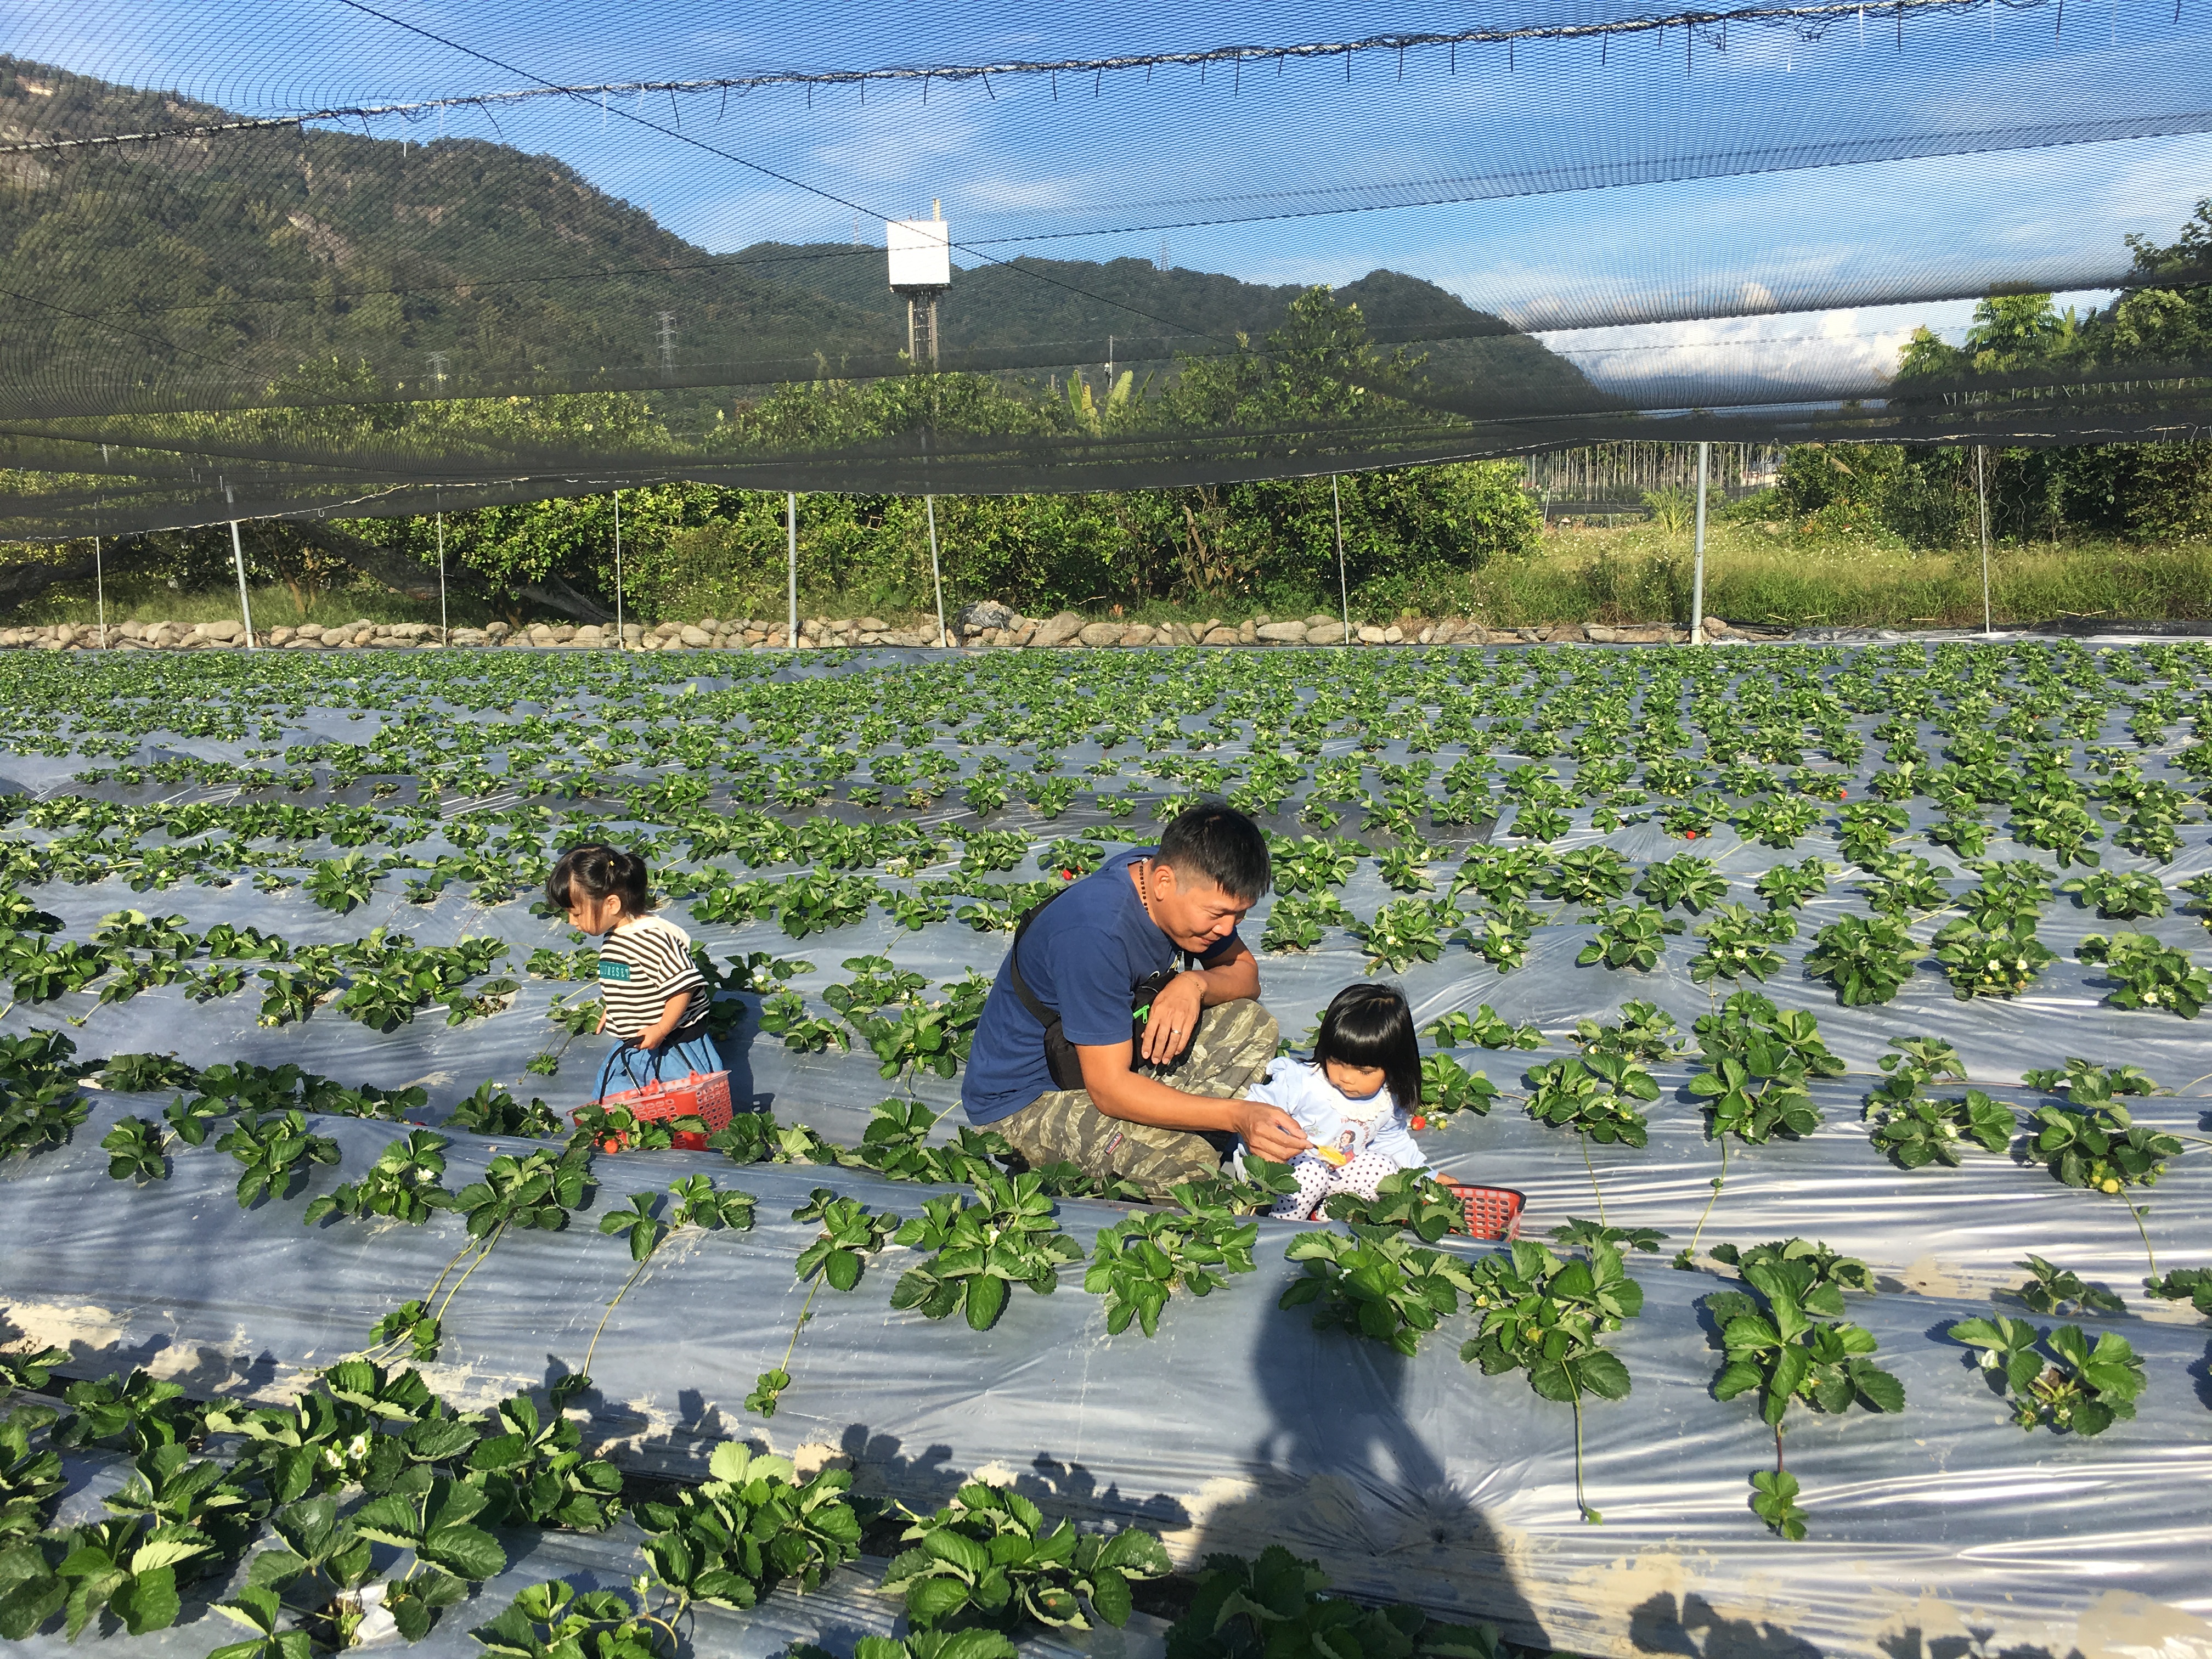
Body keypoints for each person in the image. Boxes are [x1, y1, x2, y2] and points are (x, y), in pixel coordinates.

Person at [960, 803, 1307, 1197]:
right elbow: (1109, 1090)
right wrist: (1237, 1116)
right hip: (1028, 1103)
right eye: (1217, 914)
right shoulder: (1095, 935)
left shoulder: (1162, 879)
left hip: (1107, 1061)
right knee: (1191, 1168)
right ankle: (1170, 1140)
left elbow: (1246, 975)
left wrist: (1194, 986)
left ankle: (1159, 1127)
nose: (1226, 929)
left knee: (1252, 1025)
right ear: (1163, 882)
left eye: (1239, 916)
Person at [545, 844, 721, 1102]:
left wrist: (661, 1029)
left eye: (576, 913)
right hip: (636, 1043)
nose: (572, 922)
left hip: (674, 1046)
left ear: (612, 904)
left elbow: (683, 987)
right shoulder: (617, 935)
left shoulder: (648, 939)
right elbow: (627, 979)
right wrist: (616, 1006)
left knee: (681, 1107)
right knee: (621, 1104)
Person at [1242, 983, 1426, 1221]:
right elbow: (1254, 1109)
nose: (1347, 1078)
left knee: (1384, 1171)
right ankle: (1283, 1225)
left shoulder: (1387, 1099)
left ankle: (1326, 1216)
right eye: (1336, 1062)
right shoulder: (1302, 1082)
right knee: (1312, 1171)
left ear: (1393, 1066)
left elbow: (1393, 1142)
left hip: (1338, 1173)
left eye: (1365, 1071)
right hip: (1284, 1170)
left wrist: (1425, 1176)